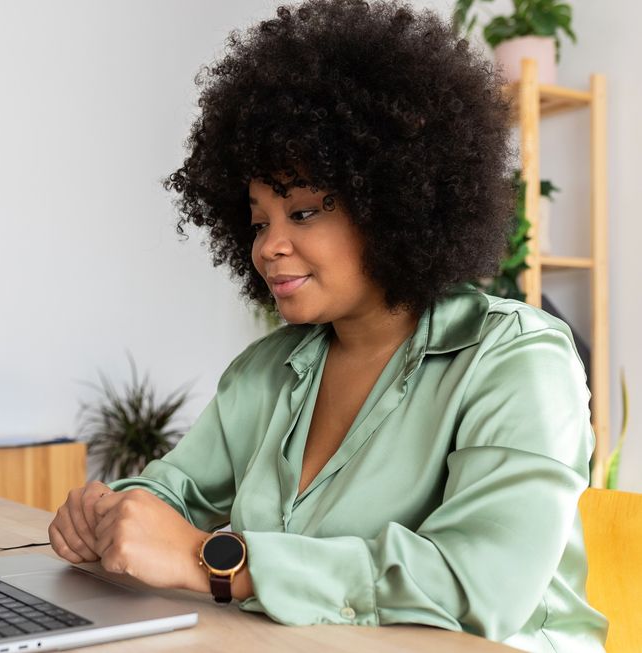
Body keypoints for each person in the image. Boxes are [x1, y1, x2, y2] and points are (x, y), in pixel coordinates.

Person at [48, 1, 608, 650]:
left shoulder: (517, 360)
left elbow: (480, 583)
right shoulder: (269, 371)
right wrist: (110, 513)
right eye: (259, 220)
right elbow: (171, 492)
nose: (268, 246)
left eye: (305, 211)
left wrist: (217, 561)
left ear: (394, 201)